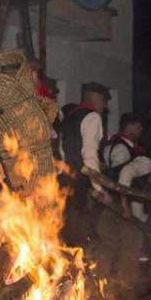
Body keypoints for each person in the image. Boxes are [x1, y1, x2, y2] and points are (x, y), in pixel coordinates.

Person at [95, 113, 151, 295]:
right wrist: (124, 204)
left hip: (110, 204)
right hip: (120, 207)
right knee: (128, 248)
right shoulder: (122, 149)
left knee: (108, 247)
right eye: (138, 126)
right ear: (129, 125)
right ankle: (122, 293)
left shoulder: (112, 145)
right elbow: (123, 176)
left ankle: (101, 289)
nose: (141, 130)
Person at [60, 82, 110, 248]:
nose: (105, 106)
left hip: (64, 180)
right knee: (78, 233)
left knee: (65, 230)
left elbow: (62, 151)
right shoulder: (93, 117)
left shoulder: (69, 117)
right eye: (104, 102)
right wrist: (99, 188)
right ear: (98, 100)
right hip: (81, 182)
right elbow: (89, 156)